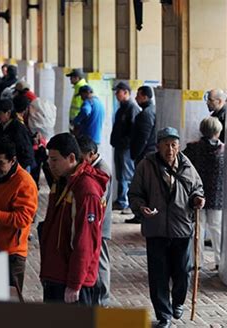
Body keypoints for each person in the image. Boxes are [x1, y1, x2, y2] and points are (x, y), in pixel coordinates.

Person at [128, 127, 205, 328]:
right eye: (165, 145)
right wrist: (140, 208)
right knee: (158, 275)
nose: (170, 150)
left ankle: (178, 302)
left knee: (183, 270)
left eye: (173, 145)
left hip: (182, 228)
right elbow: (134, 194)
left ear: (178, 146)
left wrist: (198, 198)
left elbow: (197, 188)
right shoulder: (146, 166)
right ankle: (164, 315)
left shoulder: (187, 166)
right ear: (158, 146)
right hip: (156, 229)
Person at [40, 133, 108, 305]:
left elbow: (85, 242)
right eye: (49, 159)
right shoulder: (63, 181)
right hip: (56, 273)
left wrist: (74, 283)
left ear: (71, 158)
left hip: (71, 281)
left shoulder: (86, 191)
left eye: (54, 160)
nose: (49, 164)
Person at [0, 136, 38, 292]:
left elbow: (23, 219)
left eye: (0, 163)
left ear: (12, 160)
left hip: (11, 255)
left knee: (10, 303)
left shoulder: (24, 183)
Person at [183, 117, 225, 270]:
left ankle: (197, 261)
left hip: (196, 194)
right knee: (216, 228)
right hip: (217, 196)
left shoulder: (193, 149)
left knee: (197, 228)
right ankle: (220, 261)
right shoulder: (224, 150)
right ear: (218, 132)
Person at [76, 135, 112, 306]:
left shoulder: (102, 169)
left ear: (91, 155)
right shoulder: (93, 166)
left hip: (100, 224)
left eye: (82, 158)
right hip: (96, 222)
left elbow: (99, 200)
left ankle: (102, 298)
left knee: (101, 262)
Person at [127, 85, 156, 224]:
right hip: (146, 154)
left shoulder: (146, 114)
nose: (136, 98)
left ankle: (140, 214)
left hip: (144, 155)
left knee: (141, 186)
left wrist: (136, 154)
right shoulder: (149, 111)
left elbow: (142, 138)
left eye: (138, 95)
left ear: (145, 96)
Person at [110, 81, 141, 214]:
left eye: (118, 92)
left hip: (126, 148)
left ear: (126, 92)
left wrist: (125, 142)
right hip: (119, 146)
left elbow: (133, 130)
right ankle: (121, 200)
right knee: (120, 174)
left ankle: (126, 202)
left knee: (126, 174)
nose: (117, 95)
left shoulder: (131, 108)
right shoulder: (122, 107)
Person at [0, 99, 35, 171]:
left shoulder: (18, 128)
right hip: (7, 167)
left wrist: (20, 169)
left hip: (21, 166)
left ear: (8, 113)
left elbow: (25, 150)